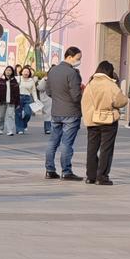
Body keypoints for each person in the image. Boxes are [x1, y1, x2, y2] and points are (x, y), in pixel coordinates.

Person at [83, 61, 128, 185]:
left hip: (92, 121)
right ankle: (102, 176)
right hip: (108, 121)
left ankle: (90, 176)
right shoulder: (110, 85)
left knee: (91, 149)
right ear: (109, 71)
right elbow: (121, 101)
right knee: (106, 149)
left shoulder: (90, 84)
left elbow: (84, 102)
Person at [44, 46, 83, 180]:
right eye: (78, 58)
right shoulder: (72, 73)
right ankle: (66, 171)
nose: (79, 61)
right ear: (69, 57)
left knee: (53, 141)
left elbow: (48, 91)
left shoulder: (53, 71)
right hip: (71, 112)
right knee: (67, 143)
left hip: (56, 111)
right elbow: (76, 96)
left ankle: (49, 169)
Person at [0, 65, 21, 136]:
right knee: (1, 116)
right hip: (2, 101)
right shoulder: (1, 80)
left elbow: (17, 93)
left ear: (12, 72)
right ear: (5, 71)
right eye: (7, 70)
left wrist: (17, 103)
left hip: (11, 102)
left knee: (10, 116)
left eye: (10, 70)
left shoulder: (14, 81)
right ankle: (0, 128)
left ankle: (10, 130)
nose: (8, 72)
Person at [16, 65, 37, 134]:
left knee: (28, 113)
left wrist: (36, 100)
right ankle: (19, 129)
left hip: (28, 98)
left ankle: (24, 124)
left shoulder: (31, 81)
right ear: (21, 72)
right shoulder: (18, 78)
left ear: (29, 73)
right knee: (18, 114)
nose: (26, 73)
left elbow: (33, 91)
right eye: (24, 71)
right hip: (18, 97)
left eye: (27, 72)